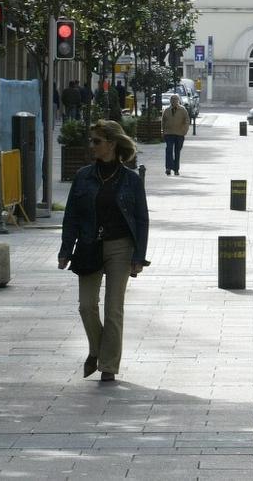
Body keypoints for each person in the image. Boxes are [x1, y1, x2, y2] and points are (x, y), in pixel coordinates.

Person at [57, 120, 150, 383]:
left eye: (96, 141)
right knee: (86, 306)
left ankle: (108, 365)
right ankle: (97, 349)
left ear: (111, 144)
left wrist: (138, 256)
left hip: (121, 247)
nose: (91, 146)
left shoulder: (130, 179)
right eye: (91, 140)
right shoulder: (84, 176)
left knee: (113, 308)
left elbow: (141, 219)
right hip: (88, 246)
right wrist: (66, 249)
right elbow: (71, 215)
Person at [161, 94, 190, 176]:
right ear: (170, 101)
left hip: (179, 134)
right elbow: (163, 121)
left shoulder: (183, 110)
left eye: (175, 100)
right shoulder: (166, 110)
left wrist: (185, 130)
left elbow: (187, 121)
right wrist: (162, 131)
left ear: (178, 101)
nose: (174, 101)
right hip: (169, 133)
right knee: (169, 150)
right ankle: (168, 168)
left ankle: (176, 169)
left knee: (177, 152)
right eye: (172, 100)